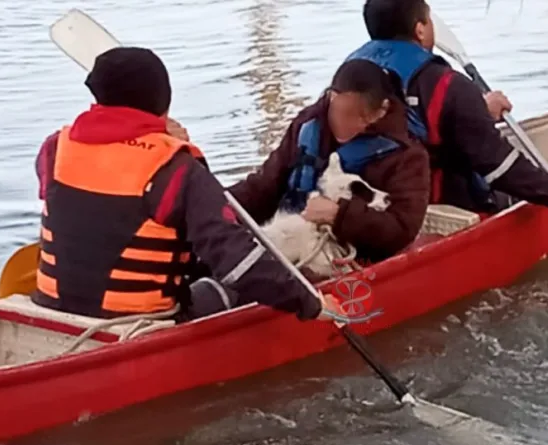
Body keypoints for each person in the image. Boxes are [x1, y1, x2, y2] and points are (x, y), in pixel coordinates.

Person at [31, 46, 341, 322]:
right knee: (230, 286)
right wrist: (310, 303)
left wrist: (151, 137)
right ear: (165, 101)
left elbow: (90, 206)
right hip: (138, 320)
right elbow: (236, 262)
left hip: (51, 305)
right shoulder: (177, 169)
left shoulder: (54, 149)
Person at [351, 0, 548, 214]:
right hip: (445, 204)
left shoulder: (350, 77)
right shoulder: (447, 85)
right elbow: (500, 168)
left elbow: (413, 118)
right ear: (420, 29)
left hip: (372, 199)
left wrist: (479, 109)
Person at [227, 58, 431, 267]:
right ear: (331, 97)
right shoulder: (308, 124)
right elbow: (265, 184)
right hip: (288, 240)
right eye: (337, 112)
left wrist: (338, 215)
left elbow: (402, 230)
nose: (342, 123)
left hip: (346, 256)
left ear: (381, 110)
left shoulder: (408, 157)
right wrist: (222, 206)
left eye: (353, 116)